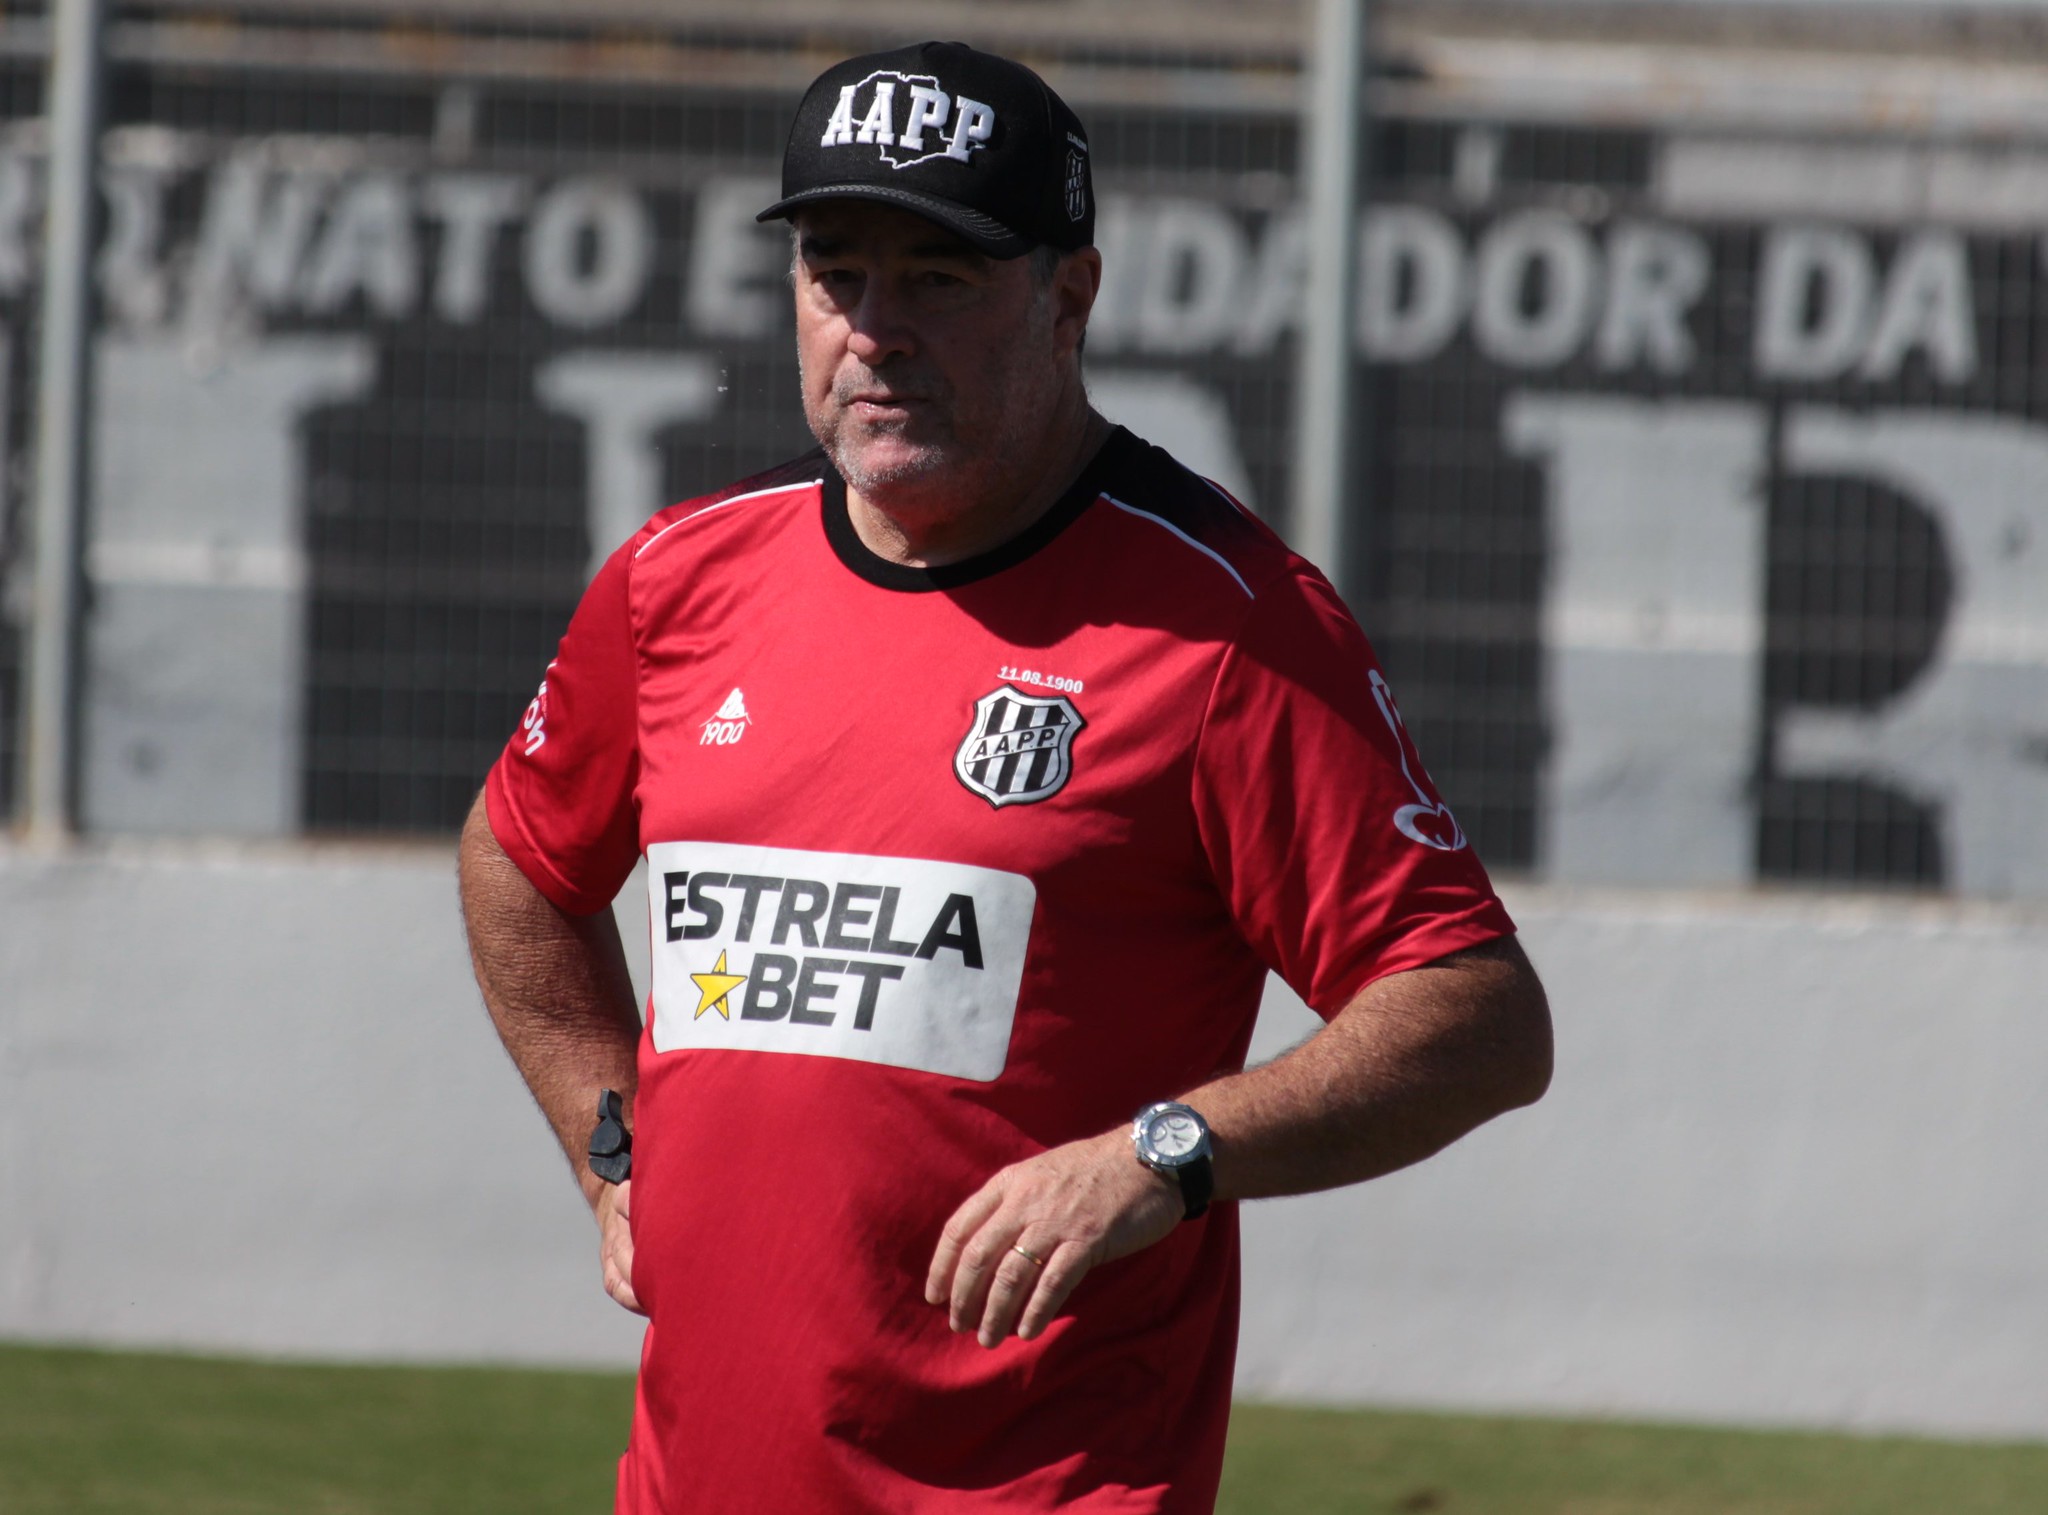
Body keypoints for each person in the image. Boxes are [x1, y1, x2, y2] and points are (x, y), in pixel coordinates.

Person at [459, 40, 1552, 1515]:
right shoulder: (678, 580)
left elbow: (1477, 1016)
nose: (876, 332)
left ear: (1070, 297)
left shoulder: (1228, 626)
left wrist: (1163, 1156)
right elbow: (520, 862)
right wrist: (612, 1150)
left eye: (941, 279)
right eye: (837, 275)